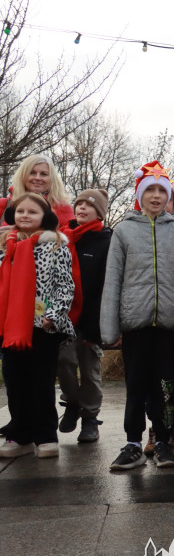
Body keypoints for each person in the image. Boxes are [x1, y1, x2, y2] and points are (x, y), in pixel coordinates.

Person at [101, 162, 174, 471]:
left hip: (168, 325)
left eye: (161, 191)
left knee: (166, 387)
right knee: (136, 384)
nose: (156, 196)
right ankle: (132, 443)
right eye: (150, 190)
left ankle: (164, 442)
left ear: (169, 195)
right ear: (140, 195)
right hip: (135, 325)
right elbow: (113, 280)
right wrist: (110, 327)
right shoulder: (124, 231)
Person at [0, 193, 74, 459]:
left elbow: (65, 286)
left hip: (42, 325)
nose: (25, 216)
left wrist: (53, 315)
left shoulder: (55, 246)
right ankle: (19, 435)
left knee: (40, 382)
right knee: (15, 382)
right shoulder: (5, 246)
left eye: (33, 212)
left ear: (45, 217)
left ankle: (45, 435)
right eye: (21, 211)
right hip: (10, 326)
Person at [56, 189, 112, 443]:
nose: (81, 209)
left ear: (99, 213)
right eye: (78, 204)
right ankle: (72, 403)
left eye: (88, 206)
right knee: (64, 362)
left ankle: (90, 418)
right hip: (64, 316)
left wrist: (97, 327)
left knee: (90, 371)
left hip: (92, 318)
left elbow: (105, 287)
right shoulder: (61, 237)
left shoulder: (106, 240)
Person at [0, 155, 74, 227]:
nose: (38, 178)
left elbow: (73, 236)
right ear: (22, 176)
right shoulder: (4, 205)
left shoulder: (62, 207)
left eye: (43, 174)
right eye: (32, 173)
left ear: (52, 179)